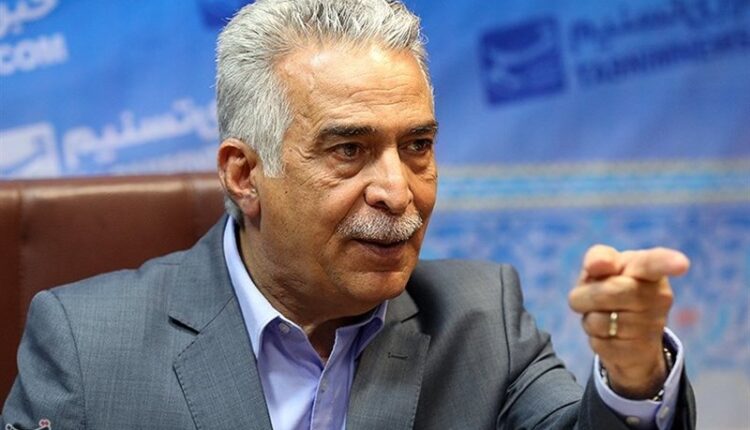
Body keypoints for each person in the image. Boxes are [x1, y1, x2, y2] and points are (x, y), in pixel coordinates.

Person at [2, 1, 695, 429]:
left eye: (417, 147)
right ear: (245, 175)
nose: (398, 191)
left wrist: (633, 375)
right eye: (348, 151)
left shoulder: (483, 320)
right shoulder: (88, 345)